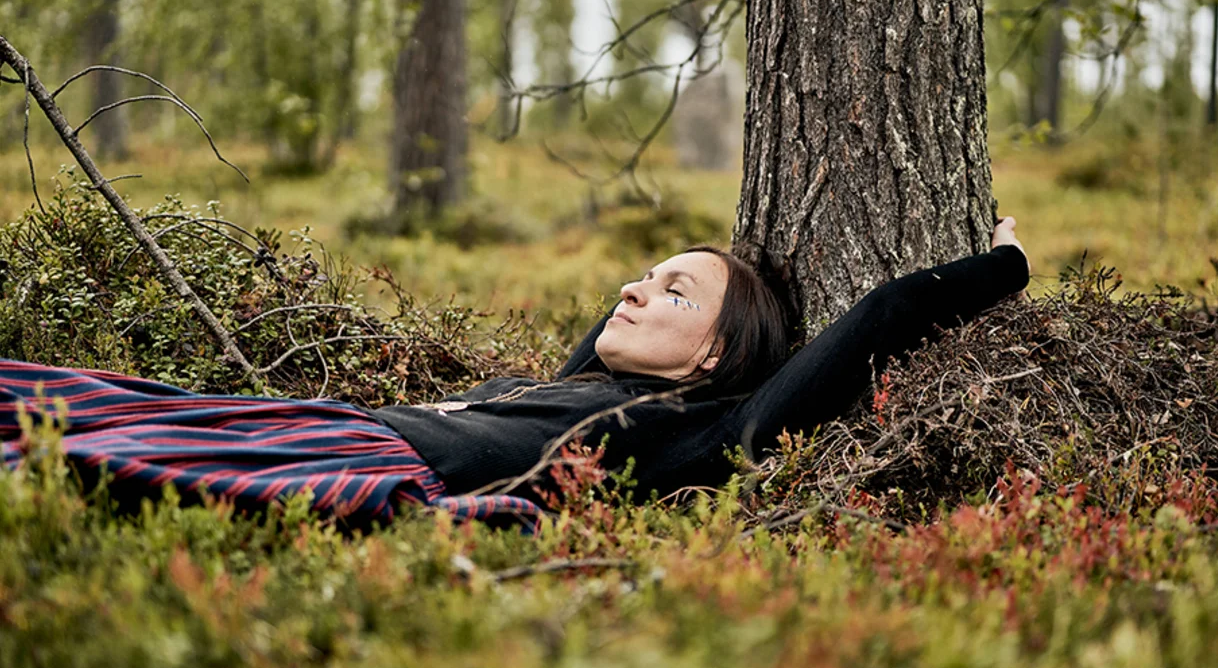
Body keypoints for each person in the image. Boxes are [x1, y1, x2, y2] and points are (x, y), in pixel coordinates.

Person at [0, 218, 1030, 530]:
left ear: (717, 356)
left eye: (672, 294)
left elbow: (880, 316)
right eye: (640, 275)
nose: (631, 291)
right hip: (317, 419)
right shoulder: (587, 385)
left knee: (83, 459)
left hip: (356, 457)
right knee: (58, 399)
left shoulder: (697, 432)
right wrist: (671, 287)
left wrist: (1003, 264)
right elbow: (613, 326)